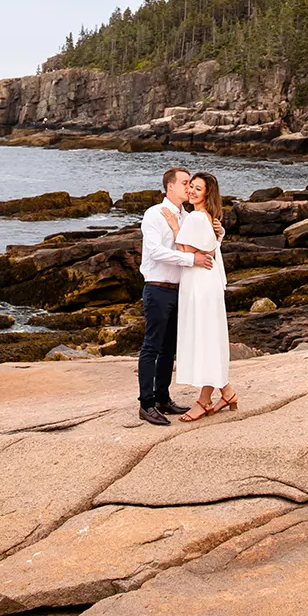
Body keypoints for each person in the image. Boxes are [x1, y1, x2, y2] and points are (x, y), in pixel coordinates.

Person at [136, 167, 211, 425]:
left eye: (191, 184)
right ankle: (146, 404)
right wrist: (191, 259)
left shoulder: (187, 216)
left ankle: (162, 398)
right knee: (152, 346)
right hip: (157, 287)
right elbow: (155, 252)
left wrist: (217, 230)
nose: (188, 188)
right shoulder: (154, 214)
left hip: (179, 289)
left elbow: (199, 245)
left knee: (169, 348)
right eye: (185, 183)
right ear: (170, 186)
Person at [171, 171, 237, 420]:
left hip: (200, 285)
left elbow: (187, 249)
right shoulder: (207, 218)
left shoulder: (197, 218)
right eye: (191, 187)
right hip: (203, 283)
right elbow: (209, 246)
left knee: (205, 339)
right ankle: (227, 392)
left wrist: (174, 226)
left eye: (198, 189)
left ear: (207, 194)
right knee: (208, 337)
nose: (191, 191)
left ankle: (204, 400)